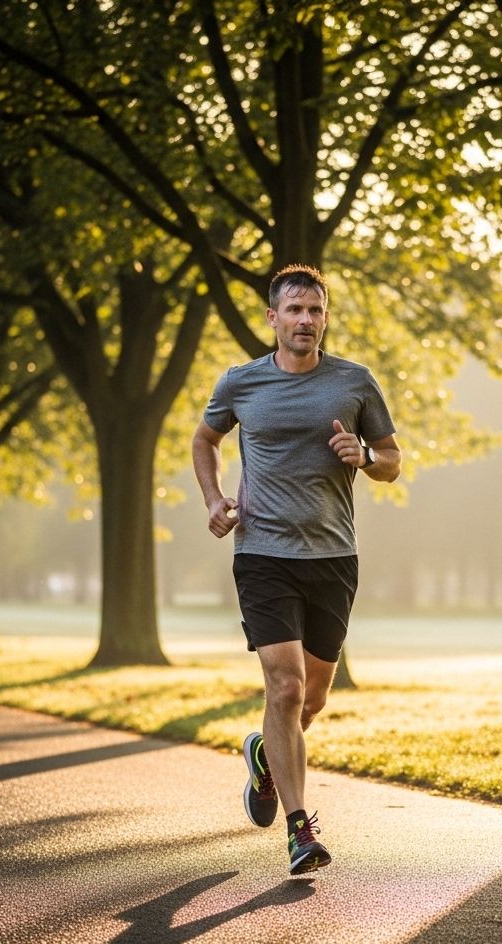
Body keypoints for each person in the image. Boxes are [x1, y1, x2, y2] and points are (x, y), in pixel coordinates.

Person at [191, 264, 401, 875]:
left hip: (333, 556)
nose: (305, 320)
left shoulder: (354, 382)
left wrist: (362, 455)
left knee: (309, 700)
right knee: (282, 687)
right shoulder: (241, 383)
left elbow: (391, 461)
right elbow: (205, 440)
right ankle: (300, 829)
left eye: (315, 310)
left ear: (324, 318)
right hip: (262, 554)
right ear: (273, 318)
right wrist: (213, 499)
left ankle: (264, 753)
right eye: (294, 310)